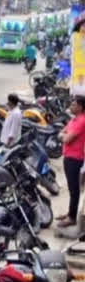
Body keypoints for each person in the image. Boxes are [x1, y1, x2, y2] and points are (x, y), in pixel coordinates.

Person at [58, 95, 85, 227]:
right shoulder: (74, 120)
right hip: (69, 157)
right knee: (71, 188)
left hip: (75, 159)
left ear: (80, 107)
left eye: (74, 104)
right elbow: (62, 132)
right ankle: (70, 212)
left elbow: (66, 138)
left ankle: (72, 217)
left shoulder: (81, 121)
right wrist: (64, 135)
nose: (71, 106)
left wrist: (63, 136)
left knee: (74, 189)